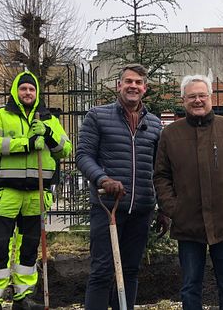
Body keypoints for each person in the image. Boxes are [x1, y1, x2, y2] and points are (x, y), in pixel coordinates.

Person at [153, 74, 223, 310]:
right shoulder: (170, 134)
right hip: (188, 224)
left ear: (210, 97)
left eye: (202, 95)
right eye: (191, 96)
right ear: (183, 100)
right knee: (190, 287)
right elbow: (161, 176)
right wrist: (173, 209)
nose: (197, 100)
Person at [76, 64, 165, 310]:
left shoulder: (155, 124)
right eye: (128, 81)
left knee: (130, 270)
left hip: (142, 209)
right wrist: (103, 180)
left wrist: (164, 208)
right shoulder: (98, 116)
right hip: (108, 206)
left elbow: (161, 169)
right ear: (119, 85)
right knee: (103, 270)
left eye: (138, 83)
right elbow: (83, 156)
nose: (133, 86)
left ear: (145, 89)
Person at [0, 71, 72, 310]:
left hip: (36, 194)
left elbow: (66, 149)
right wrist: (27, 143)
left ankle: (23, 297)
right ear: (15, 91)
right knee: (0, 246)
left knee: (28, 248)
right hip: (5, 193)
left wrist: (49, 135)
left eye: (32, 89)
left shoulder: (48, 118)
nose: (28, 93)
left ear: (37, 92)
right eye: (23, 89)